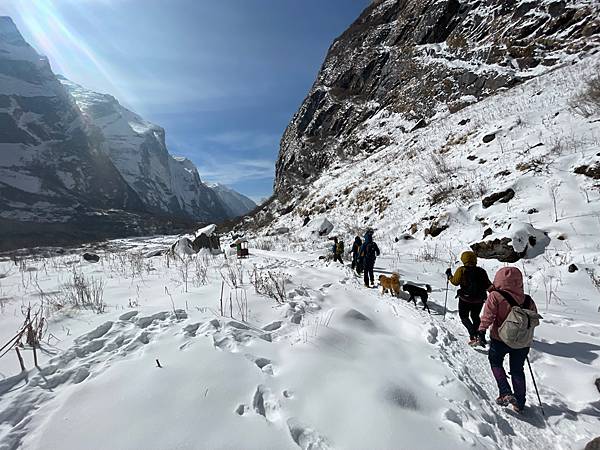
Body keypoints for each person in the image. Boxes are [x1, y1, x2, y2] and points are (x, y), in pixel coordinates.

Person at [478, 267, 538, 413]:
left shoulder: (495, 296)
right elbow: (533, 319)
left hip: (500, 339)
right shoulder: (528, 299)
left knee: (495, 362)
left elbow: (488, 316)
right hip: (521, 343)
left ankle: (505, 391)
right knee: (517, 370)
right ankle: (520, 403)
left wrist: (481, 330)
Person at [446, 251, 492, 346]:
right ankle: (480, 336)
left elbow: (455, 282)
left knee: (464, 316)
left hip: (465, 298)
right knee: (475, 316)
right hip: (479, 299)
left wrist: (449, 275)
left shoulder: (462, 270)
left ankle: (473, 334)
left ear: (464, 259)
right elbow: (488, 285)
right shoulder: (481, 271)